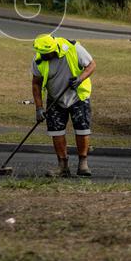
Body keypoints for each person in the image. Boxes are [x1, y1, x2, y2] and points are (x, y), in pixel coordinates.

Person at [31, 34, 97, 177]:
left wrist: (80, 79)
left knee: (82, 129)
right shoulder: (38, 60)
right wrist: (39, 108)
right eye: (43, 54)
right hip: (55, 97)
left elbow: (91, 65)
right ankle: (63, 166)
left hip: (78, 95)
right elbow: (36, 84)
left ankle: (83, 164)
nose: (45, 56)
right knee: (56, 131)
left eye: (47, 54)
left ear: (54, 49)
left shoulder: (73, 48)